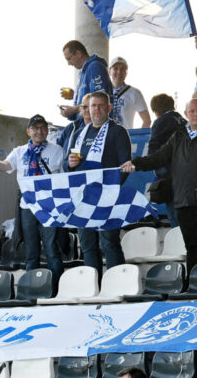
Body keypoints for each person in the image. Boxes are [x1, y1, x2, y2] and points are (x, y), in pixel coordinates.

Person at [121, 98, 197, 273]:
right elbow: (159, 157)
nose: (196, 114)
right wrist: (136, 164)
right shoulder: (178, 136)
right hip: (182, 201)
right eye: (192, 111)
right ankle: (196, 283)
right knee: (192, 248)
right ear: (186, 114)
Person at [0, 114, 65, 284]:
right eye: (35, 128)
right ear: (28, 131)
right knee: (30, 249)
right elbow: (5, 166)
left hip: (49, 206)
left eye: (42, 128)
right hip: (28, 206)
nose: (39, 131)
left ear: (47, 131)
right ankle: (32, 286)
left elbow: (64, 178)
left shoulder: (57, 150)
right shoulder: (20, 151)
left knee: (51, 248)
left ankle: (58, 286)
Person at [68, 91, 131, 277]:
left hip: (107, 197)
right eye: (93, 105)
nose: (97, 109)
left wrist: (110, 192)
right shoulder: (80, 133)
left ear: (109, 108)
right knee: (87, 244)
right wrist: (69, 164)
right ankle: (92, 285)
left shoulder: (118, 132)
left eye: (101, 105)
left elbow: (125, 166)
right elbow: (70, 164)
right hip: (84, 197)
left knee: (109, 242)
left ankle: (117, 284)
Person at [145, 94, 187, 229]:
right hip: (188, 174)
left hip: (171, 174)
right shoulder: (183, 120)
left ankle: (180, 247)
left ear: (155, 110)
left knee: (175, 216)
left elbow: (153, 149)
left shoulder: (161, 121)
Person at [60, 40, 111, 120]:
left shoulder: (95, 67)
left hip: (93, 127)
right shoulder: (83, 72)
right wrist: (75, 95)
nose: (68, 63)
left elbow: (99, 100)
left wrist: (74, 109)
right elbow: (88, 98)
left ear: (78, 53)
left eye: (69, 58)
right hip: (83, 125)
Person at [107, 56, 151, 128]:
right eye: (115, 69)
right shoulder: (103, 92)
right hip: (105, 137)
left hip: (124, 137)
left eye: (122, 69)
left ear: (126, 73)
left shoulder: (134, 93)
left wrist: (136, 137)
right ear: (109, 71)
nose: (119, 72)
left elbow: (147, 120)